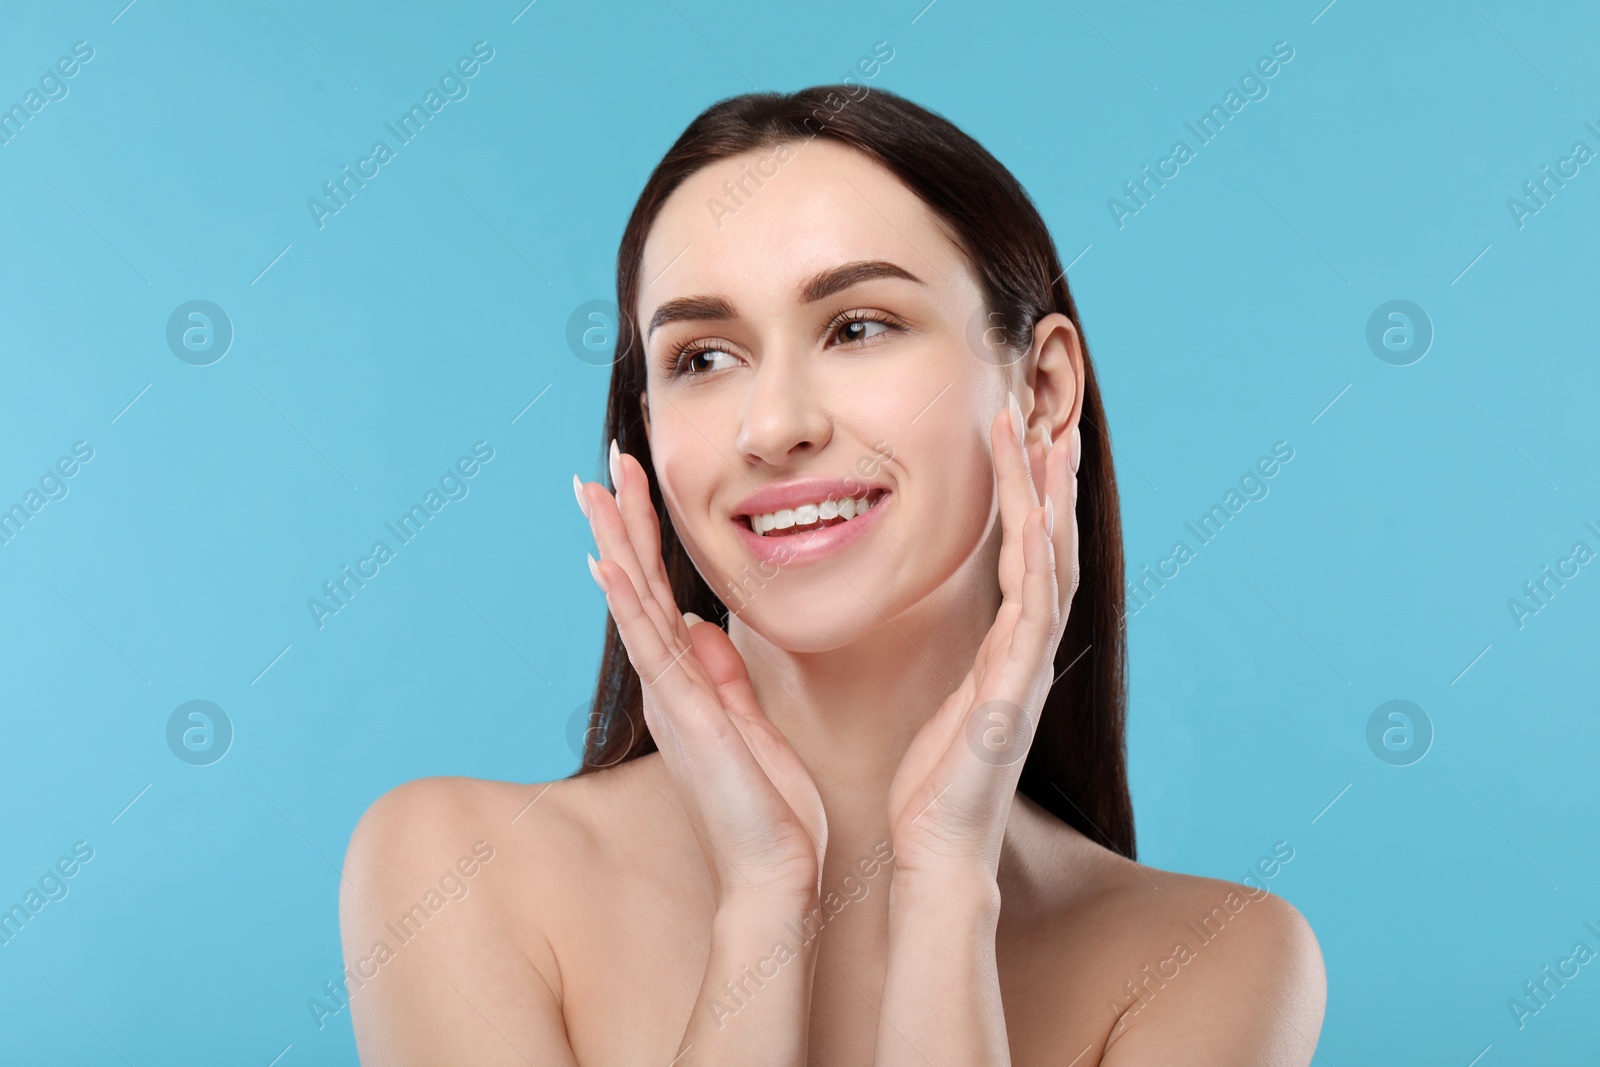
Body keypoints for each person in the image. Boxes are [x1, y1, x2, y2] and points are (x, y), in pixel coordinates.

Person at [339, 85, 1326, 1065]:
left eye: (857, 327)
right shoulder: (457, 870)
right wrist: (763, 898)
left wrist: (945, 888)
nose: (771, 426)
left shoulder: (1215, 959)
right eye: (702, 356)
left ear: (1041, 391)